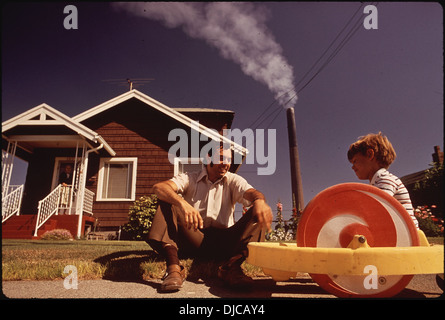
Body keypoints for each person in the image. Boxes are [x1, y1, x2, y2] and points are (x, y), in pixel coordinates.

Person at [147, 144, 273, 292]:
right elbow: (159, 188)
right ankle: (174, 269)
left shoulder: (233, 180)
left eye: (229, 159)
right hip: (195, 237)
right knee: (167, 201)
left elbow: (252, 193)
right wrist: (182, 203)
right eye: (221, 158)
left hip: (226, 243)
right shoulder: (190, 178)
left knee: (258, 209)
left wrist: (259, 201)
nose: (226, 163)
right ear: (208, 158)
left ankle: (231, 268)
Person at [347, 132, 419, 229]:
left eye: (355, 161)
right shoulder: (378, 181)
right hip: (400, 231)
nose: (353, 167)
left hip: (407, 234)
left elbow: (378, 207)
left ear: (369, 154)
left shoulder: (385, 179)